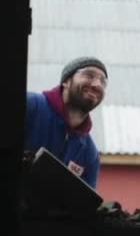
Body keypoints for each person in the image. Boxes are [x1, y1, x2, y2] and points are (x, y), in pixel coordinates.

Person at [24, 56, 108, 189]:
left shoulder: (89, 154)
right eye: (89, 75)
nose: (97, 84)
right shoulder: (30, 105)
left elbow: (82, 205)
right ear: (66, 81)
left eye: (103, 82)